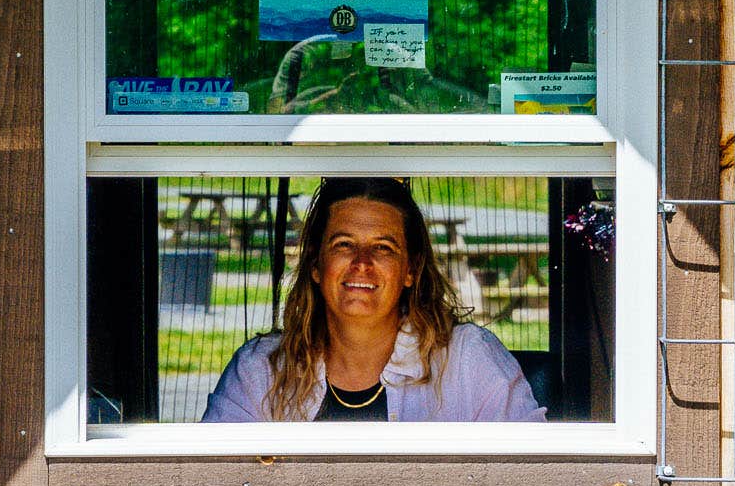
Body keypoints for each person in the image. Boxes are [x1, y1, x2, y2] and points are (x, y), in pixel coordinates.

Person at [205, 177, 546, 423]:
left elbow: (532, 475)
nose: (362, 262)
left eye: (383, 247)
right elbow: (215, 482)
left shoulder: (467, 359)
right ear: (316, 265)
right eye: (344, 244)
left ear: (410, 270)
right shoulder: (261, 368)